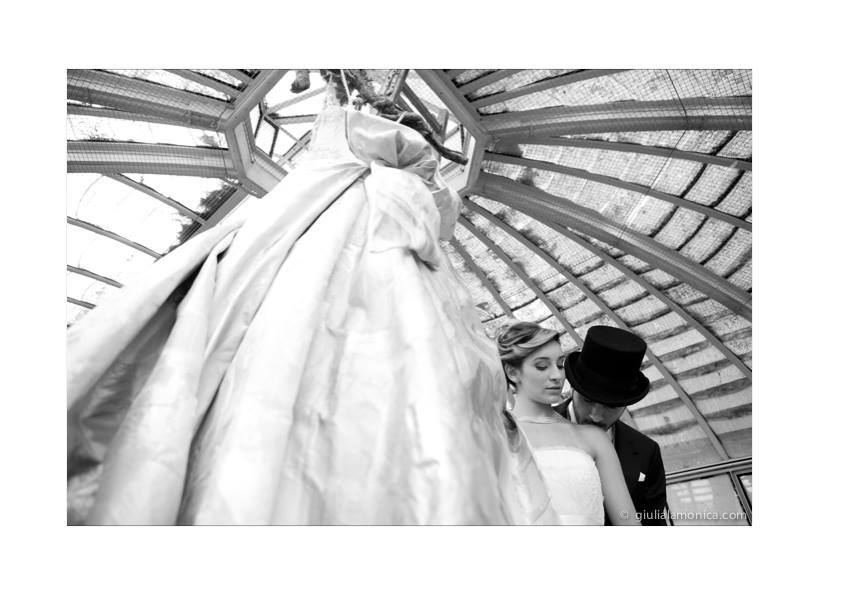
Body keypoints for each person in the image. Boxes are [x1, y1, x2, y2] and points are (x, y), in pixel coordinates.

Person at [66, 74, 553, 525]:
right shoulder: (344, 106)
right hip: (324, 211)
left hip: (372, 228)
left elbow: (432, 210)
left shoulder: (394, 158)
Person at [496, 321, 639, 525]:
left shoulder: (594, 438)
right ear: (512, 372)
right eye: (542, 366)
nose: (557, 376)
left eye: (560, 364)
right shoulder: (494, 433)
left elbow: (629, 523)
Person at [552, 325, 668, 526]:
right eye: (588, 400)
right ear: (572, 387)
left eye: (611, 405)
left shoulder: (646, 451)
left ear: (627, 402)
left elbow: (654, 523)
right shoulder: (532, 429)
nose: (596, 416)